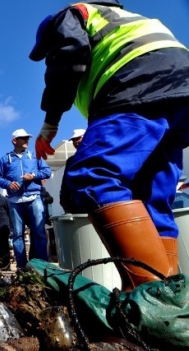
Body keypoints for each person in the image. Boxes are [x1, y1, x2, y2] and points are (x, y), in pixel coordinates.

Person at [30, 0, 189, 289]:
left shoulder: (72, 14)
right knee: (151, 196)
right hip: (180, 93)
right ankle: (172, 302)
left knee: (93, 173)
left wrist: (50, 123)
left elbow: (69, 55)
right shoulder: (126, 19)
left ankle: (148, 300)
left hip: (138, 81)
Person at [0, 129, 51, 269]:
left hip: (34, 197)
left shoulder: (35, 156)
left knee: (39, 232)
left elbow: (47, 171)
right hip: (15, 201)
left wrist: (32, 175)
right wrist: (8, 184)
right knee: (17, 235)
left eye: (27, 138)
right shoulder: (5, 159)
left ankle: (43, 266)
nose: (27, 140)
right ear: (14, 141)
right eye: (23, 138)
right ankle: (21, 267)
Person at [60, 129, 85, 214]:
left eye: (78, 138)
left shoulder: (97, 154)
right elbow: (65, 182)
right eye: (74, 140)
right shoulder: (70, 160)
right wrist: (64, 201)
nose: (76, 142)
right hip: (76, 204)